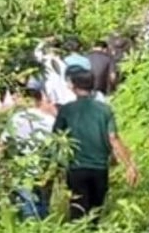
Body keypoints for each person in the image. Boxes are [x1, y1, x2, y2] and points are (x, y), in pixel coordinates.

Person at [52, 66, 139, 223]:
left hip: (76, 168)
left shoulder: (66, 110)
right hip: (99, 168)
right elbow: (113, 138)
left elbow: (56, 139)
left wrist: (56, 167)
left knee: (77, 212)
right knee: (95, 214)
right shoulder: (104, 110)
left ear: (73, 86)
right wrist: (129, 165)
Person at [0, 76, 56, 219]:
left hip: (21, 168)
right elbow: (57, 149)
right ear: (41, 96)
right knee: (43, 205)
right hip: (44, 168)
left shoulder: (16, 119)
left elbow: (3, 144)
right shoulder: (50, 120)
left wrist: (1, 165)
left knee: (28, 207)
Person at [35, 37, 76, 107]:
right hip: (61, 95)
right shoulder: (61, 62)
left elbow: (37, 53)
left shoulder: (49, 60)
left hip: (58, 95)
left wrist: (43, 41)